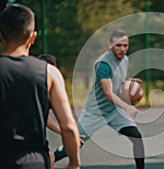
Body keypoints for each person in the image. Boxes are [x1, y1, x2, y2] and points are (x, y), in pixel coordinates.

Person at [0, 4, 81, 169]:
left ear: (0, 35)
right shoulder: (50, 73)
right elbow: (69, 126)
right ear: (32, 37)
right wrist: (74, 163)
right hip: (33, 162)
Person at [54, 28, 145, 169]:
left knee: (137, 137)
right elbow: (108, 93)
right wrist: (126, 106)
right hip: (96, 112)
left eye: (125, 45)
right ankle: (49, 160)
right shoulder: (103, 64)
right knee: (75, 143)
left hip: (114, 111)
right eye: (118, 45)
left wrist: (129, 83)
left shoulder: (125, 59)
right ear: (110, 45)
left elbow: (115, 81)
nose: (122, 49)